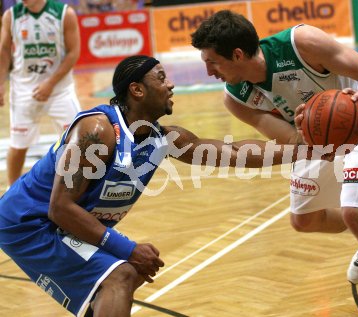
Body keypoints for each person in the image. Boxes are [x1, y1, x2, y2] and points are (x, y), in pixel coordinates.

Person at [0, 55, 324, 317]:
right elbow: (60, 207)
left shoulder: (163, 138)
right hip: (29, 223)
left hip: (60, 222)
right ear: (137, 90)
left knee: (125, 275)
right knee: (122, 273)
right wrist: (128, 248)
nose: (171, 84)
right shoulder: (97, 131)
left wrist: (305, 149)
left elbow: (234, 152)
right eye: (161, 77)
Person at [191, 10, 358, 317]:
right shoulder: (235, 97)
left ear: (237, 54)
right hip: (318, 134)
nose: (209, 72)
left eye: (212, 62)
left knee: (355, 211)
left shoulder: (302, 43)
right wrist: (303, 133)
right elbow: (291, 141)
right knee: (305, 220)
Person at [0, 0, 81, 186]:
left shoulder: (64, 14)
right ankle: (13, 191)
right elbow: (4, 50)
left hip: (60, 90)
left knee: (78, 142)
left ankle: (76, 189)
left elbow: (74, 52)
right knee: (18, 145)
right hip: (23, 90)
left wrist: (50, 83)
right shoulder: (11, 16)